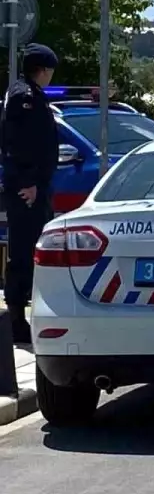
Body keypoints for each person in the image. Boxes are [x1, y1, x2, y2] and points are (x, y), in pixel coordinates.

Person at [2, 44, 60, 346]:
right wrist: (29, 181)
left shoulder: (27, 94)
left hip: (34, 186)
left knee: (32, 250)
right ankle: (15, 321)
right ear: (44, 69)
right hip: (27, 189)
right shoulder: (25, 98)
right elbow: (18, 143)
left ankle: (26, 316)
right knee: (25, 251)